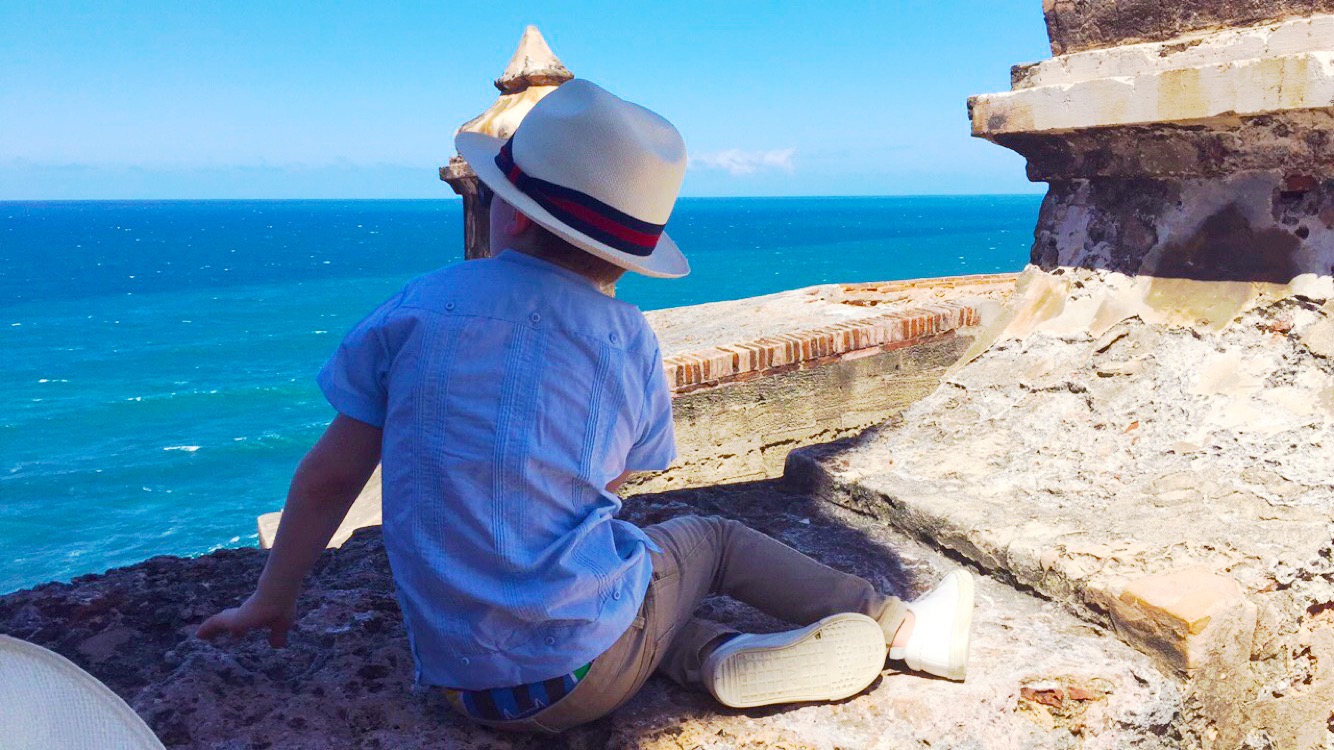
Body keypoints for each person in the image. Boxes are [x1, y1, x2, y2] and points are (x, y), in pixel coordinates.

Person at [198, 79, 975, 733]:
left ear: (512, 211)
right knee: (704, 541)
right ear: (627, 253)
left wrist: (275, 597)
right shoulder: (623, 336)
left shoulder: (415, 307)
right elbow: (633, 467)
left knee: (624, 591)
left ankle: (715, 657)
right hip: (585, 674)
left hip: (466, 685)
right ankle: (901, 626)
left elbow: (331, 476)